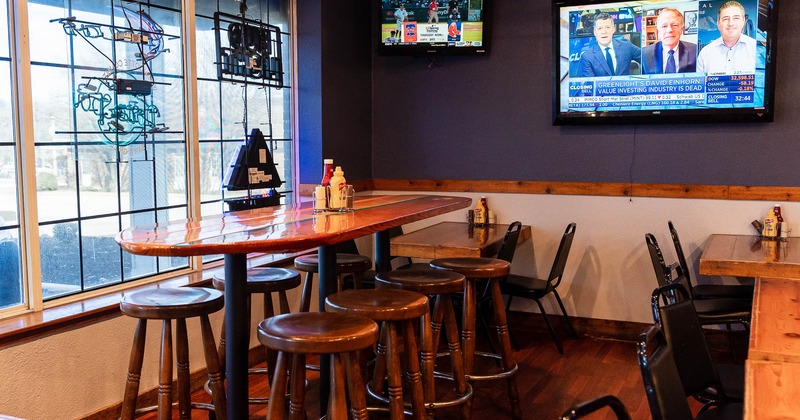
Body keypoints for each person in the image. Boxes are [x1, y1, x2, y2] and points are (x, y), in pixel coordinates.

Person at [696, 1, 756, 75]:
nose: (731, 23)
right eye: (725, 19)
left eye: (736, 18)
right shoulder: (705, 53)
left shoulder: (756, 48)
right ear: (718, 23)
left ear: (743, 21)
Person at [578, 12, 641, 77]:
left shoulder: (626, 46)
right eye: (600, 28)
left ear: (613, 29)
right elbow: (591, 84)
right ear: (595, 32)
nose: (604, 32)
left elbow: (647, 58)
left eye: (607, 27)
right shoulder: (587, 56)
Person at [641, 8, 697, 74]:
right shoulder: (644, 54)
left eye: (675, 25)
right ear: (658, 31)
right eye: (664, 26)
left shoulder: (695, 51)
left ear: (681, 29)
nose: (669, 30)